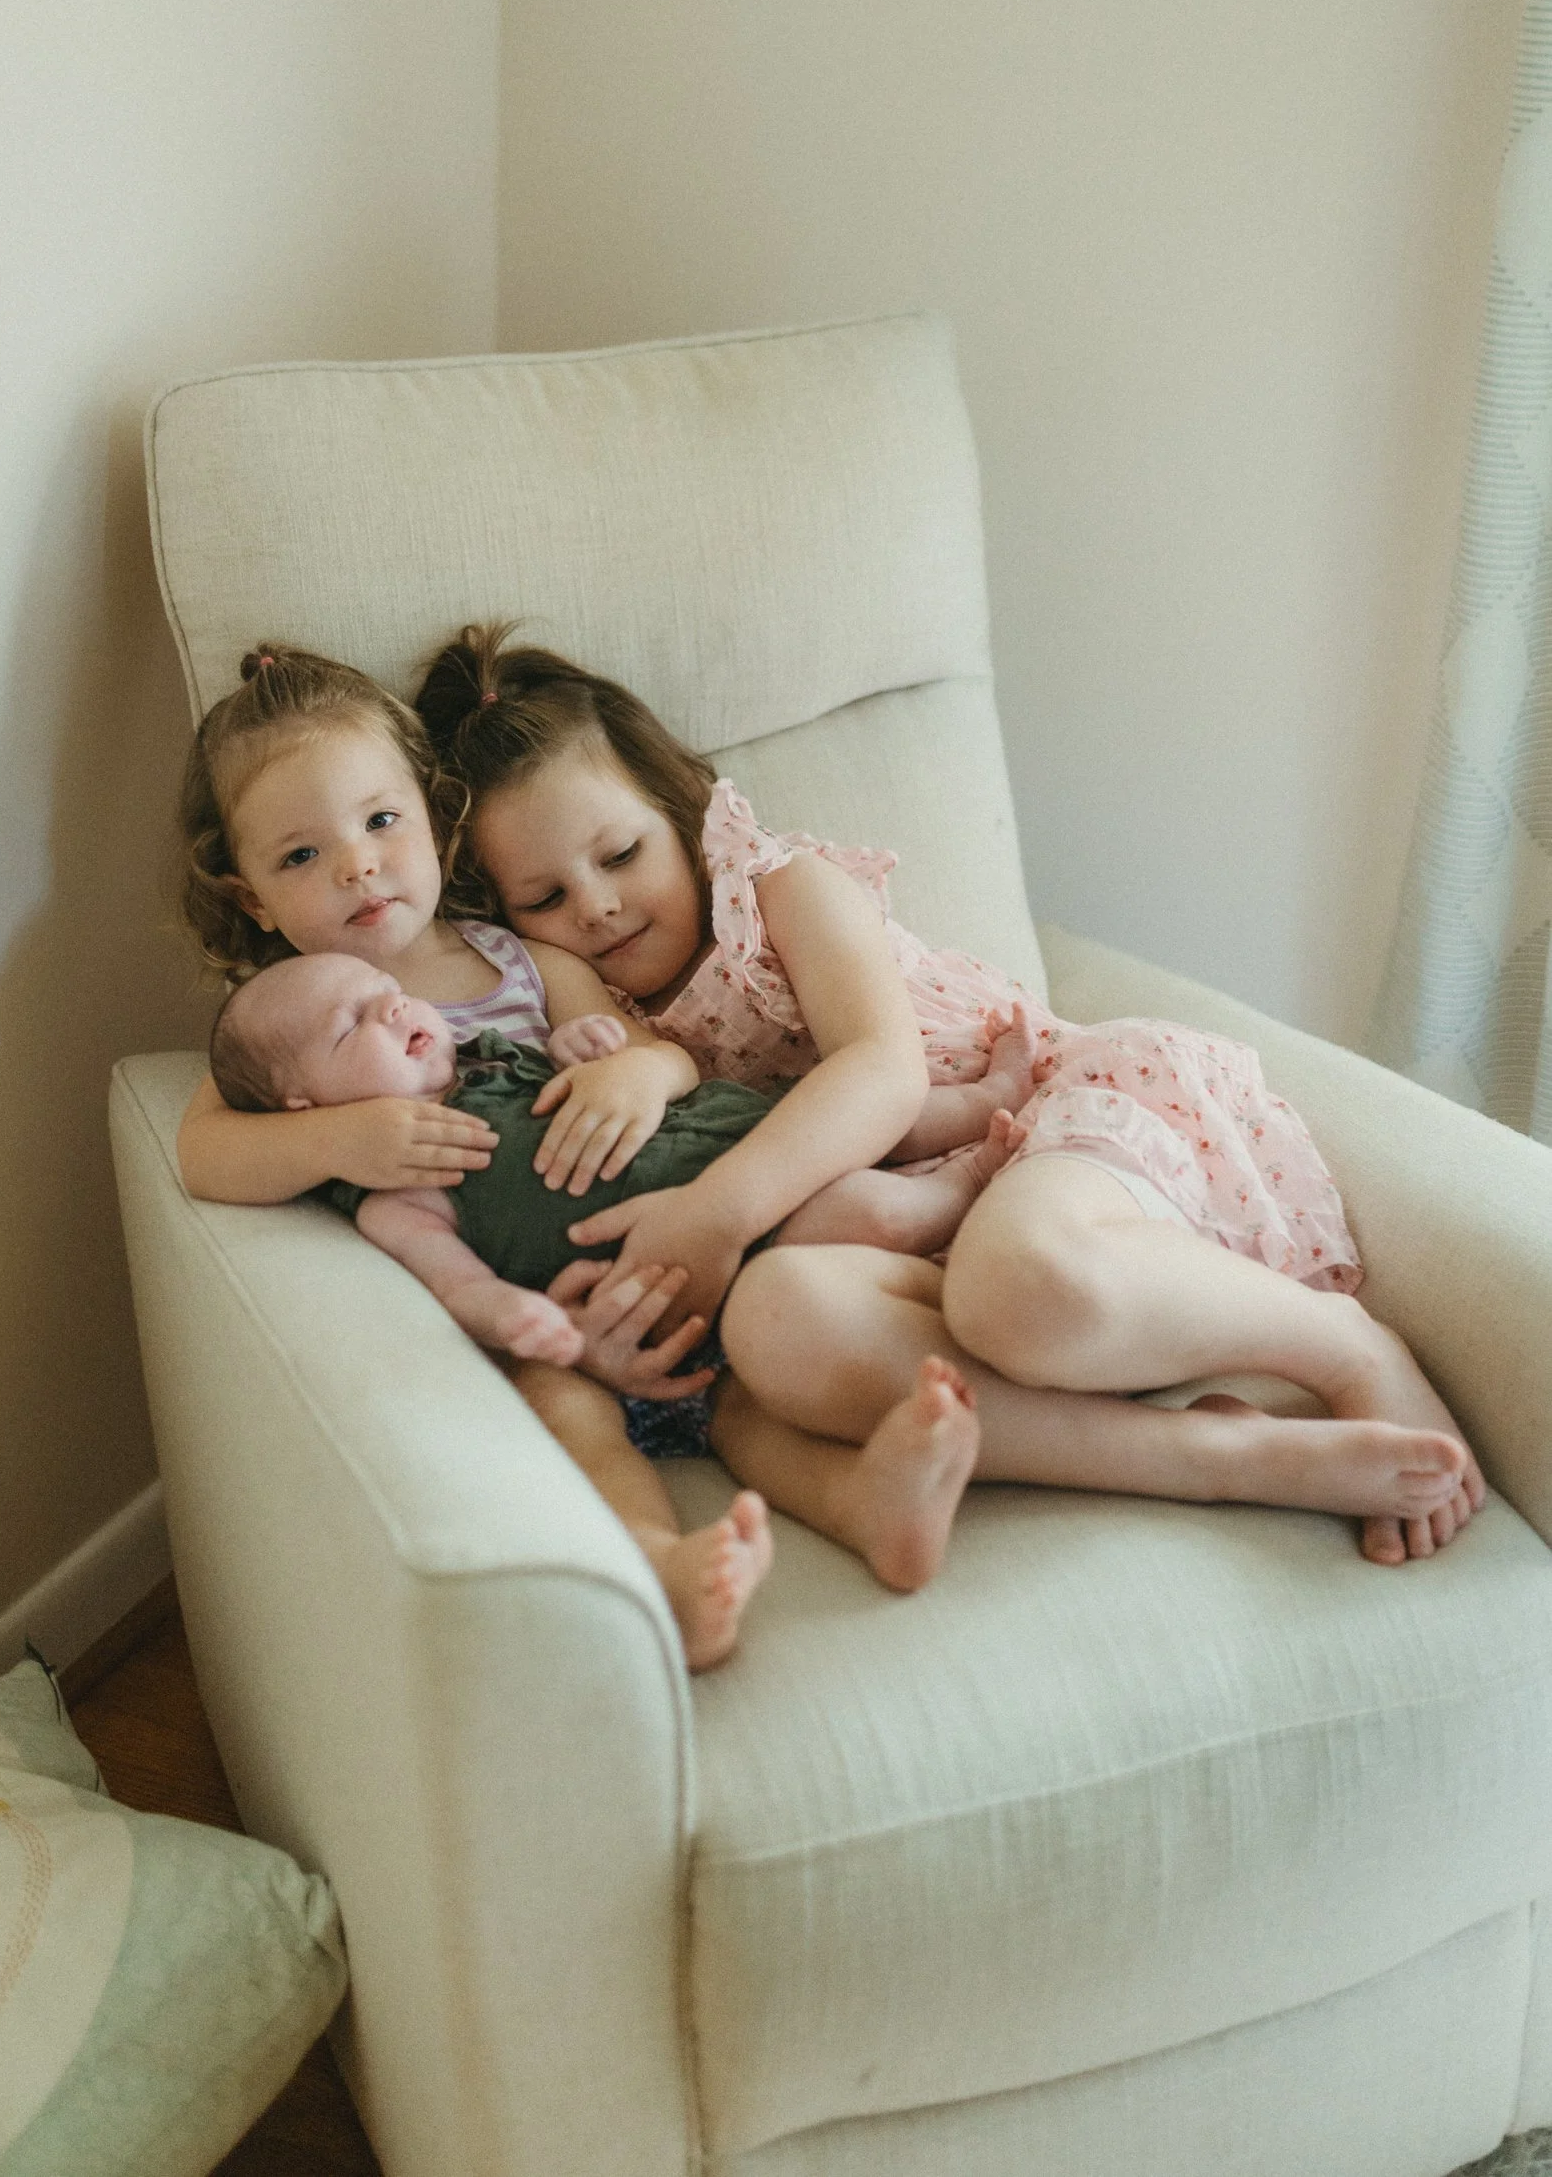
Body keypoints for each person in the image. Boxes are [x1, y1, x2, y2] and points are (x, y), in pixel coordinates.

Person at [415, 622, 1483, 1569]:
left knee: (1013, 1289)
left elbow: (883, 1070)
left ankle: (1344, 1344)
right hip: (921, 1246)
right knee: (774, 1322)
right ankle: (1216, 1455)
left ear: (677, 807)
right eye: (545, 897)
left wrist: (719, 1210)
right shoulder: (598, 1036)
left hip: (1050, 1132)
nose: (596, 905)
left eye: (620, 853)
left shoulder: (780, 891)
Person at [170, 646, 1002, 1662]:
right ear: (251, 897)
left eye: (381, 822)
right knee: (574, 1415)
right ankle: (662, 1562)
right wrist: (342, 1135)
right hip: (547, 1315)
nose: (355, 865)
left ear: (434, 821)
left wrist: (633, 1073)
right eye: (298, 857)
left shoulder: (531, 959)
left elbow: (670, 1058)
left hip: (680, 1252)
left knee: (740, 1399)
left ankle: (866, 1499)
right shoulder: (283, 1018)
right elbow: (204, 1151)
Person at [210, 949, 1009, 1647]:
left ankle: (975, 1149)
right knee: (587, 1416)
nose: (391, 1006)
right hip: (607, 1345)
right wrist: (526, 1321)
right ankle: (682, 1560)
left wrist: (582, 1051)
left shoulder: (503, 1057)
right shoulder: (392, 1189)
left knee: (867, 1203)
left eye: (386, 989)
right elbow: (454, 1282)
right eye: (352, 1026)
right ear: (304, 1108)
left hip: (756, 1229)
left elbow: (628, 1076)